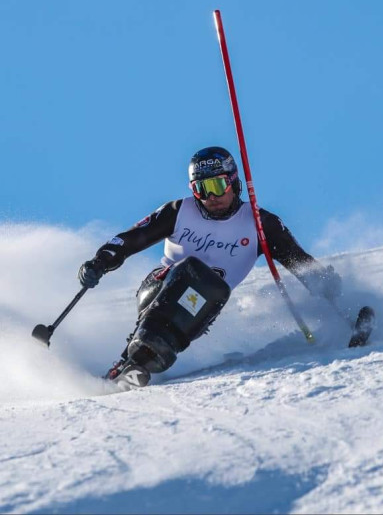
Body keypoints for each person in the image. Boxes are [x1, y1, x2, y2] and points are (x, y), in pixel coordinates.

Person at [78, 147, 342, 390]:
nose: (212, 197)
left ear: (234, 182)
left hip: (200, 304)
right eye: (202, 189)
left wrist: (326, 284)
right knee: (191, 270)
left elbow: (299, 261)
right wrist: (101, 261)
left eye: (218, 185)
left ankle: (146, 360)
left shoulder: (261, 224)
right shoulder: (179, 211)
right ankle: (128, 360)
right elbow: (132, 238)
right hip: (158, 288)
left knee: (209, 284)